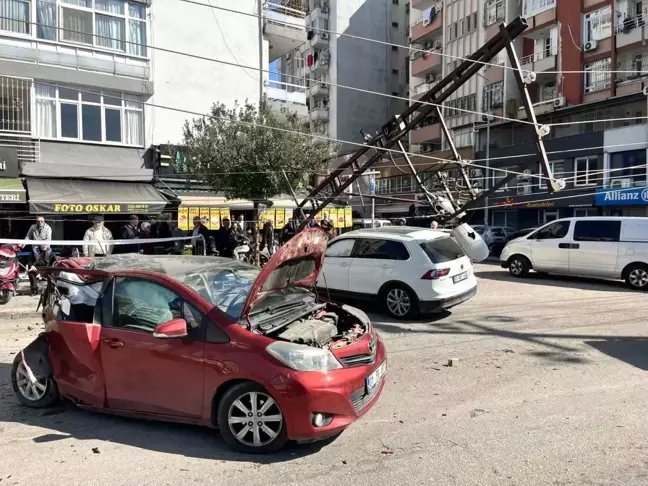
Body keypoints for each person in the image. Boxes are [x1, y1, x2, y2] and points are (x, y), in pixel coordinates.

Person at [23, 216, 53, 296]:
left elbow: (48, 239)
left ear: (44, 221)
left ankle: (51, 291)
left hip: (46, 265)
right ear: (36, 222)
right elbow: (28, 237)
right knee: (31, 272)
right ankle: (34, 290)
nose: (40, 223)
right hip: (36, 260)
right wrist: (23, 243)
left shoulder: (48, 228)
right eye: (38, 221)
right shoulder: (33, 227)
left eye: (42, 221)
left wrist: (44, 245)